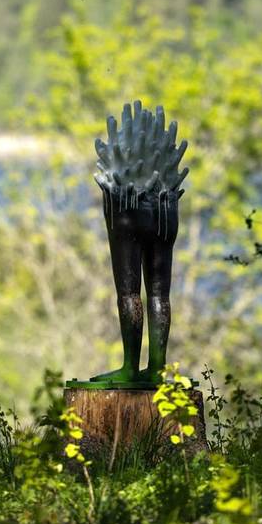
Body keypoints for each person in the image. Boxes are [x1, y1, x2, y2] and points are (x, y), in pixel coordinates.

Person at [87, 101, 188, 386]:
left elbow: (107, 168)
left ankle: (131, 367)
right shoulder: (162, 167)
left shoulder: (120, 167)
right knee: (159, 294)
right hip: (166, 209)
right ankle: (158, 366)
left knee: (128, 292)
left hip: (127, 209)